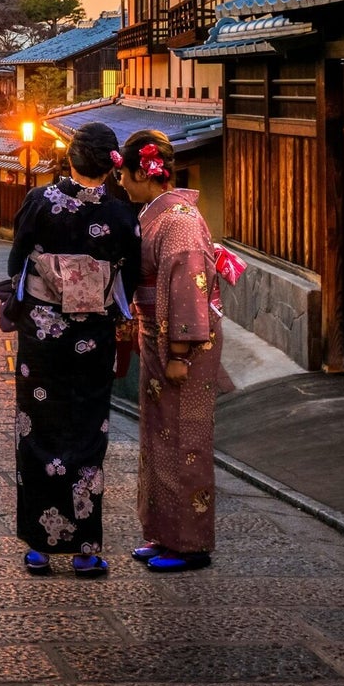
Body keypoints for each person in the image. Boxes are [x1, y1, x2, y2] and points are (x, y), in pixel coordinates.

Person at [6, 122, 141, 577]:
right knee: (86, 433)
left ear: (70, 158)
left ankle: (40, 548)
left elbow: (17, 260)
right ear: (111, 164)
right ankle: (86, 549)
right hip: (93, 338)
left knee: (37, 428)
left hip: (43, 336)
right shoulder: (122, 214)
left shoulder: (39, 201)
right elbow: (131, 275)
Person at [117, 129, 226, 573]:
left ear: (145, 171)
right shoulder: (158, 214)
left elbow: (187, 290)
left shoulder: (177, 221)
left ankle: (190, 544)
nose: (120, 182)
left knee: (185, 440)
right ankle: (163, 533)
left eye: (124, 174)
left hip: (183, 348)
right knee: (160, 437)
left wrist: (180, 352)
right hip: (158, 339)